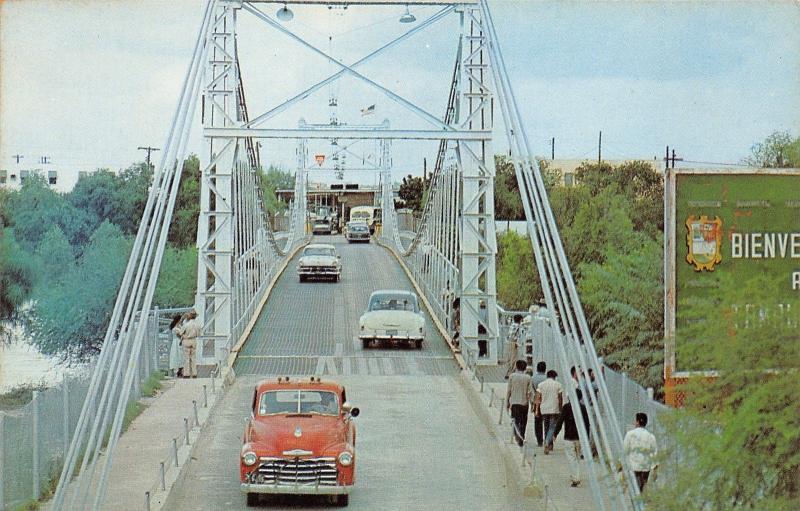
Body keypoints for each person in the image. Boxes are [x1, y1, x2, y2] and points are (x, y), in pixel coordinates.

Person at [559, 389, 590, 487]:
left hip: (569, 437)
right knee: (577, 457)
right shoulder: (583, 408)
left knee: (571, 458)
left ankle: (576, 478)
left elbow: (560, 420)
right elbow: (587, 424)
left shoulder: (566, 407)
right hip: (580, 437)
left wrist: (555, 433)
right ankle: (575, 474)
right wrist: (587, 437)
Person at [623, 412, 658, 492]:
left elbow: (625, 450)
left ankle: (636, 503)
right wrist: (655, 469)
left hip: (633, 466)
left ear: (637, 422)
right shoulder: (651, 436)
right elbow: (654, 453)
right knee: (641, 487)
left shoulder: (630, 434)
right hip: (645, 467)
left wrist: (621, 464)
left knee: (634, 488)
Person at [535, 369, 563, 454]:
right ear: (554, 377)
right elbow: (560, 398)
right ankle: (547, 442)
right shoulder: (558, 385)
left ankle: (548, 444)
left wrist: (537, 410)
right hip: (554, 409)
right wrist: (560, 408)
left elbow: (538, 398)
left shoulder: (541, 385)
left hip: (544, 409)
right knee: (552, 427)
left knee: (546, 427)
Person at [505, 360, 532, 447]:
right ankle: (521, 438)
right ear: (525, 367)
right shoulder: (528, 377)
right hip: (524, 403)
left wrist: (507, 402)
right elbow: (530, 392)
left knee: (515, 420)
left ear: (516, 366)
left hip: (514, 402)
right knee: (523, 422)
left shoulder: (512, 376)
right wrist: (532, 403)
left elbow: (509, 390)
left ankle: (516, 435)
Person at [176, 309, 201, 378]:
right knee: (193, 358)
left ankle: (186, 373)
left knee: (186, 358)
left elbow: (180, 333)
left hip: (186, 340)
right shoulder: (197, 325)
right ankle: (194, 373)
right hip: (194, 341)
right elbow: (199, 334)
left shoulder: (186, 325)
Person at [530, 361, 548, 447]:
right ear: (545, 369)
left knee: (538, 422)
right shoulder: (547, 378)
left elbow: (532, 391)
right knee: (547, 422)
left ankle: (539, 440)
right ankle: (547, 439)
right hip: (546, 402)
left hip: (537, 402)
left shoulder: (533, 378)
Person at [168, 313, 185, 377]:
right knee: (179, 355)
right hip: (177, 342)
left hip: (177, 342)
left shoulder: (179, 326)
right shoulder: (175, 328)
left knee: (180, 356)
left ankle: (180, 371)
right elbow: (180, 335)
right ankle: (179, 371)